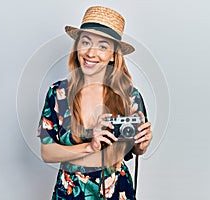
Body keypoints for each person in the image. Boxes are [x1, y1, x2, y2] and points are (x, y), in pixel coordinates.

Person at [38, 6, 152, 200]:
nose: (91, 53)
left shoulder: (130, 96)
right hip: (70, 192)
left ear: (114, 55)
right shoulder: (58, 93)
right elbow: (47, 152)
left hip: (116, 191)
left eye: (102, 46)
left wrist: (142, 144)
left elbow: (135, 147)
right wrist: (90, 146)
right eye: (85, 42)